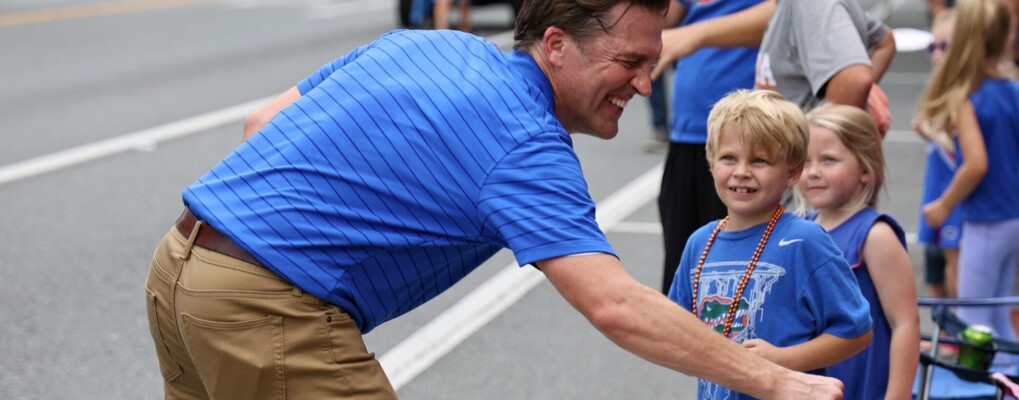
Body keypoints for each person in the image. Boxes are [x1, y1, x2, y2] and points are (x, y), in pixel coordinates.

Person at [142, 1, 849, 399]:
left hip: (180, 268)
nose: (643, 85)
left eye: (650, 63)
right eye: (629, 63)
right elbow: (615, 304)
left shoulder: (431, 46)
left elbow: (261, 123)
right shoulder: (527, 147)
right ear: (556, 46)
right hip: (266, 306)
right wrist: (775, 383)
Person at [666, 90, 871, 400]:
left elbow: (857, 332)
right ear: (710, 163)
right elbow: (675, 334)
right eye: (728, 158)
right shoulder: (699, 243)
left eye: (759, 160)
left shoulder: (806, 241)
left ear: (792, 172)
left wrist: (782, 360)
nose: (741, 171)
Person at [917, 0, 1019, 369]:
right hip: (1016, 217)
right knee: (1000, 308)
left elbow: (975, 164)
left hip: (987, 221)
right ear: (1008, 37)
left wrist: (943, 205)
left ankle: (992, 382)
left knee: (973, 311)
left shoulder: (967, 98)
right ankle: (1010, 373)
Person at [796, 104, 919, 400]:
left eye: (828, 160)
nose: (813, 172)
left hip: (862, 383)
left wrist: (897, 396)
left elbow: (906, 323)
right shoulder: (802, 227)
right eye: (805, 161)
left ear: (865, 169)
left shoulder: (875, 234)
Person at [654, 0, 767, 294]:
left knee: (735, 277)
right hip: (686, 135)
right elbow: (663, 18)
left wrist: (696, 34)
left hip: (746, 142)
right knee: (682, 273)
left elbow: (788, 16)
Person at [754, 0, 896, 136]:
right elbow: (883, 40)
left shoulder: (812, 4)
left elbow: (854, 81)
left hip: (795, 154)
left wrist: (815, 151)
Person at [916, 10, 960, 299]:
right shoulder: (940, 88)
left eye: (944, 46)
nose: (936, 55)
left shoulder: (965, 94)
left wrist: (932, 131)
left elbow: (963, 153)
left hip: (954, 194)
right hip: (936, 190)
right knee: (934, 266)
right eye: (933, 46)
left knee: (954, 263)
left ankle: (957, 336)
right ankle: (944, 336)